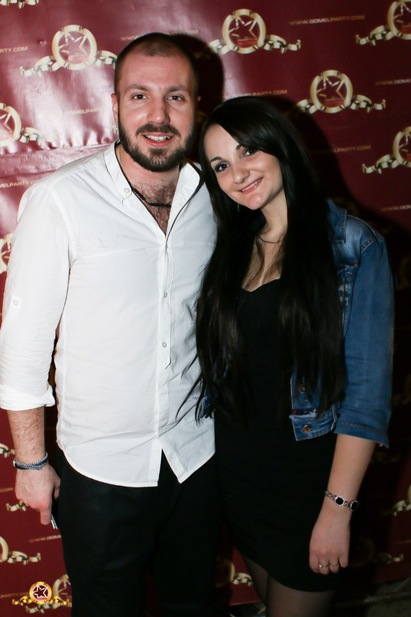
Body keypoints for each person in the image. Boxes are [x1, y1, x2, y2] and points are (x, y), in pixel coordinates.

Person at [0, 33, 219, 617]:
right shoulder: (60, 200)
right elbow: (23, 345)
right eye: (140, 96)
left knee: (192, 604)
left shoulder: (216, 196)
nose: (158, 116)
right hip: (100, 472)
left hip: (196, 456)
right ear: (115, 104)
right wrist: (31, 463)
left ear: (197, 106)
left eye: (176, 97)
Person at [195, 96, 394, 617]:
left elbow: (367, 401)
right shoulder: (231, 244)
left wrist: (337, 511)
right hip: (240, 478)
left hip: (309, 485)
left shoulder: (354, 247)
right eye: (221, 165)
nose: (238, 173)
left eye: (247, 151)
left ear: (280, 145)